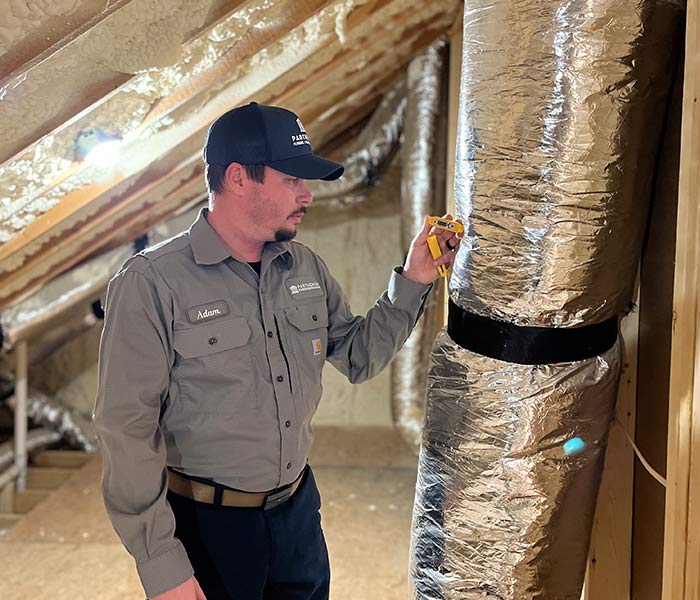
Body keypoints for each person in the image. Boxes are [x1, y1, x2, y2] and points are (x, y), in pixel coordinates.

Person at [93, 101, 461, 600]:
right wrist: (163, 567)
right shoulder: (152, 283)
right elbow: (127, 431)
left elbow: (357, 356)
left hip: (296, 518)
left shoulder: (303, 267)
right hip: (208, 530)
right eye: (292, 180)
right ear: (239, 177)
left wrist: (415, 278)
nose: (307, 195)